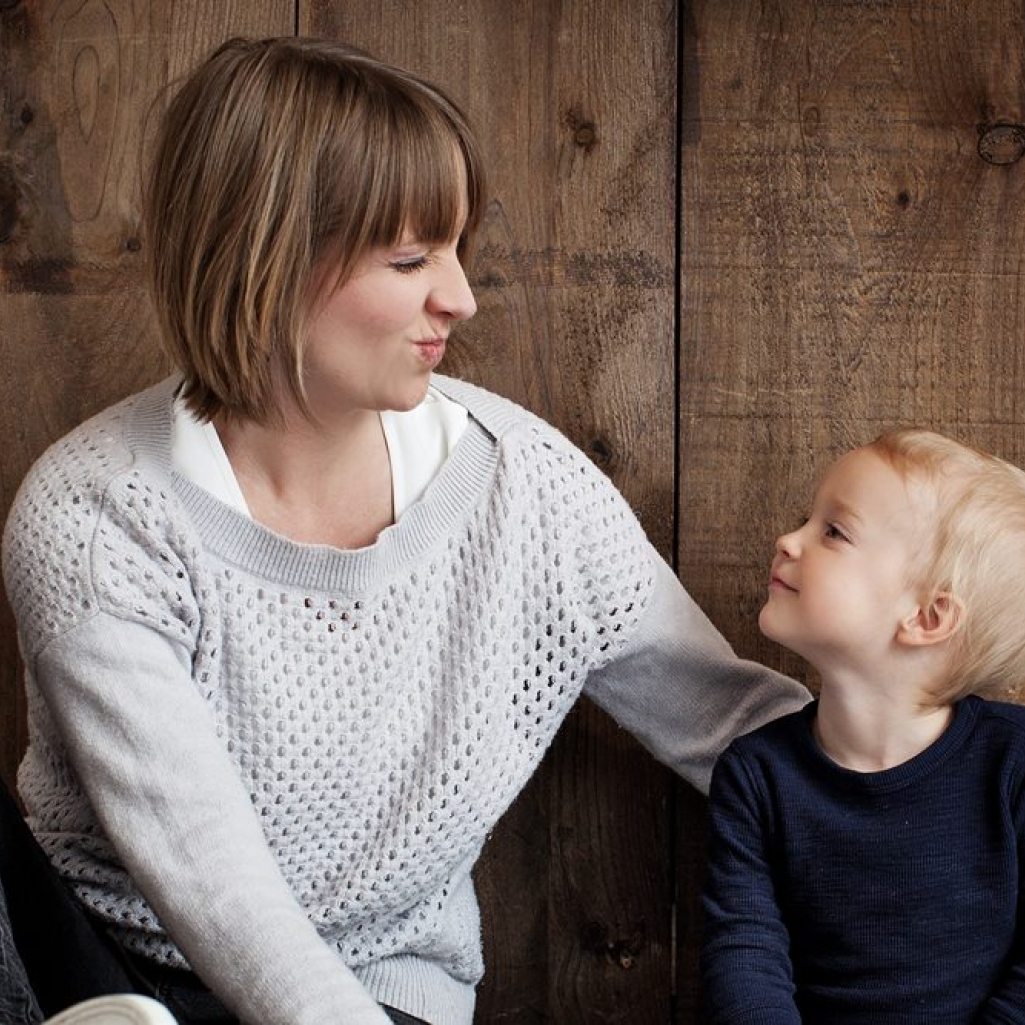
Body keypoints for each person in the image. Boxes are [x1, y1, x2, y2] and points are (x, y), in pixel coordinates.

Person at [1, 36, 809, 1025]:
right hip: (97, 967)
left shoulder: (528, 488)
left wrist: (967, 782)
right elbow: (210, 884)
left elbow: (734, 728)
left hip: (384, 985)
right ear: (265, 254)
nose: (459, 298)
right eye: (409, 257)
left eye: (457, 250)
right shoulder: (95, 514)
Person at [700, 428, 1025, 1024]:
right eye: (808, 519)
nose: (787, 540)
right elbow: (744, 958)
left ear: (927, 617)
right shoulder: (755, 777)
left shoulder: (1012, 766)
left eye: (834, 531)